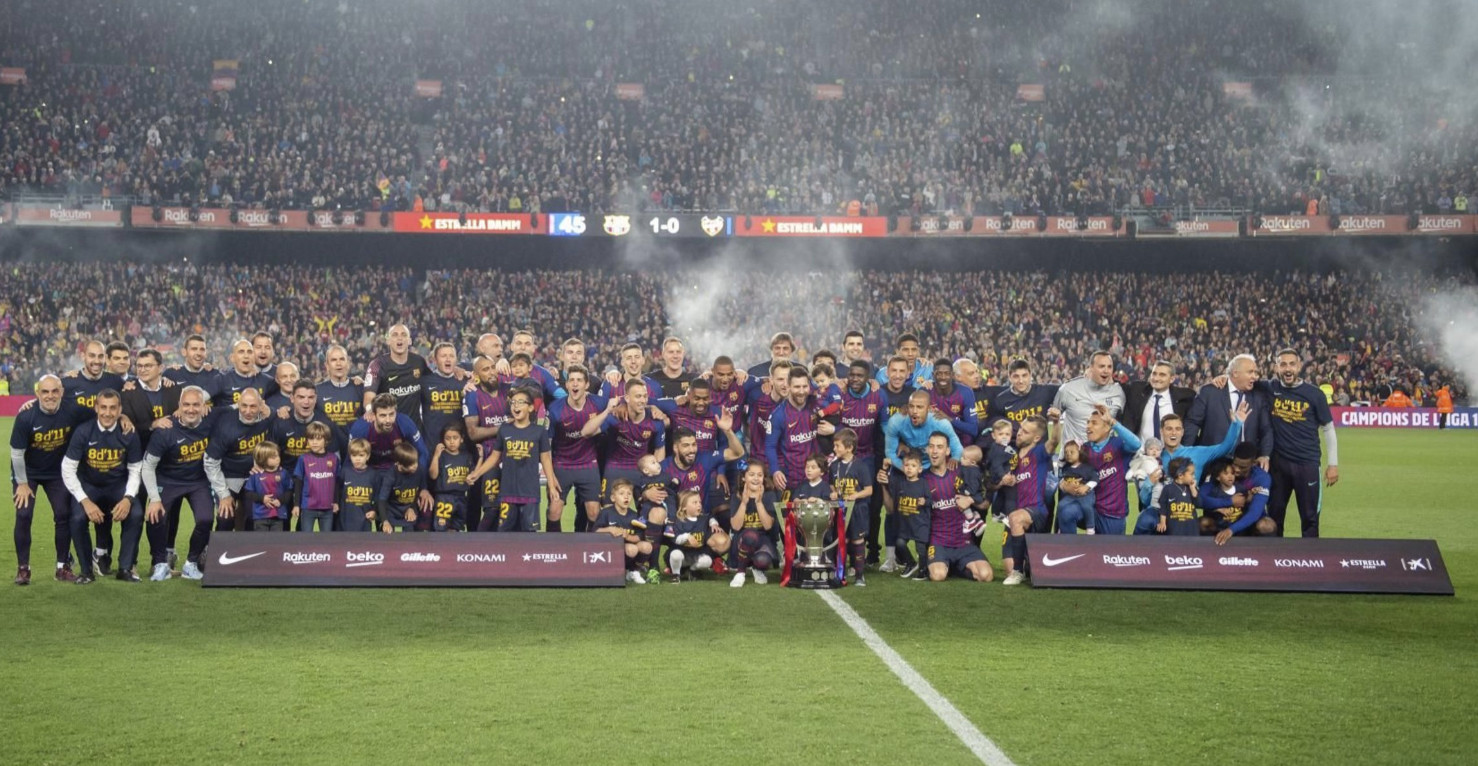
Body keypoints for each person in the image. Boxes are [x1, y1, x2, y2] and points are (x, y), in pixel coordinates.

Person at [10, 375, 89, 584]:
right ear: (37, 394)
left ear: (61, 392)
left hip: (57, 472)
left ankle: (62, 567)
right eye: (45, 392)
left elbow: (99, 413)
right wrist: (23, 484)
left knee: (63, 515)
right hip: (28, 473)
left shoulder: (73, 409)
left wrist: (124, 418)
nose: (50, 396)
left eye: (55, 391)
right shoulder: (26, 416)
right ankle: (23, 569)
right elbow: (17, 453)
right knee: (24, 514)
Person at [60, 389, 143, 583]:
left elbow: (135, 469)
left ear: (120, 409)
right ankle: (86, 571)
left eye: (113, 408)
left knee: (136, 514)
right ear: (96, 408)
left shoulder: (129, 434)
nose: (108, 413)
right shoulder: (83, 431)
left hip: (118, 486)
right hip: (90, 486)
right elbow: (68, 469)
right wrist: (85, 501)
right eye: (103, 407)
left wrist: (128, 498)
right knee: (78, 518)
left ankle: (125, 568)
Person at [1261, 348, 1339, 537]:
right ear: (1276, 367)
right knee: (1274, 517)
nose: (1288, 369)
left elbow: (1328, 428)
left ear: (1300, 366)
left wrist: (1333, 464)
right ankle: (1274, 560)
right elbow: (1241, 379)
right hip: (1278, 466)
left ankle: (1310, 560)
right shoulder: (1269, 388)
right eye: (1283, 364)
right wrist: (1222, 379)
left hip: (1307, 464)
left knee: (1310, 518)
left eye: (1292, 364)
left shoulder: (1314, 394)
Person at [141, 385, 215, 580]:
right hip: (168, 480)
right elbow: (147, 466)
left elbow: (239, 406)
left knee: (206, 519)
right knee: (155, 516)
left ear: (204, 406)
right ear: (179, 406)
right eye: (187, 405)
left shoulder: (211, 421)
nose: (191, 409)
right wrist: (154, 499)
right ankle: (159, 563)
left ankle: (191, 563)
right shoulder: (165, 430)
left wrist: (265, 407)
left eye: (196, 405)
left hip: (198, 481)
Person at [469, 387, 558, 532]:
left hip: (530, 493)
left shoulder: (539, 431)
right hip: (507, 493)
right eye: (513, 402)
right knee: (505, 534)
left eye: (520, 402)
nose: (515, 406)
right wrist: (477, 473)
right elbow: (495, 457)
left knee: (529, 534)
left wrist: (552, 485)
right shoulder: (504, 429)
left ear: (530, 408)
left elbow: (546, 460)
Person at [547, 365, 616, 532]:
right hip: (562, 463)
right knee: (554, 511)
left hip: (588, 463)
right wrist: (550, 478)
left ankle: (591, 552)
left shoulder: (599, 403)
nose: (575, 384)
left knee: (594, 512)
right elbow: (547, 446)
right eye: (571, 380)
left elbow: (616, 413)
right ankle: (553, 551)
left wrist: (599, 428)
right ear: (567, 385)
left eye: (579, 380)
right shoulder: (556, 409)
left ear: (586, 384)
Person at [922, 433, 992, 583]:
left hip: (964, 542)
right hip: (939, 542)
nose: (934, 451)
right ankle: (945, 565)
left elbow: (985, 502)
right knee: (937, 576)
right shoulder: (922, 479)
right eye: (931, 446)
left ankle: (955, 566)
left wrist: (970, 499)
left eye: (939, 447)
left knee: (986, 576)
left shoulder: (962, 472)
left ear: (948, 451)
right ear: (927, 450)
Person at [205, 388, 276, 532]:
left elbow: (273, 444)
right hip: (228, 477)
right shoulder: (225, 425)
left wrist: (261, 464)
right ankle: (217, 550)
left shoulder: (268, 418)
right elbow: (210, 462)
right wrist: (224, 495)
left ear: (261, 405)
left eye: (253, 406)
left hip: (254, 477)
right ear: (238, 403)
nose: (248, 411)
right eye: (244, 406)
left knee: (255, 516)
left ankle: (247, 551)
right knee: (225, 517)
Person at [1184, 354, 1273, 468]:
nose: (1255, 377)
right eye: (1250, 372)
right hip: (1212, 463)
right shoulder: (1210, 392)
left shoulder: (1258, 397)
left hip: (1246, 466)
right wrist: (1186, 453)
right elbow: (1192, 423)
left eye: (1255, 373)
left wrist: (1265, 455)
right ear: (1235, 373)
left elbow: (1266, 430)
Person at [1001, 415, 1056, 585]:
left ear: (1036, 438)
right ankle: (1022, 568)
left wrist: (1055, 422)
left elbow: (1054, 441)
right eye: (1020, 429)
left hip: (1037, 510)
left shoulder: (1039, 452)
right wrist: (1004, 480)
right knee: (1007, 567)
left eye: (1025, 432)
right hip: (1016, 511)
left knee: (1015, 518)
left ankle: (1018, 572)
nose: (1019, 433)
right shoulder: (1013, 455)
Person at [765, 366, 836, 493]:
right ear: (788, 386)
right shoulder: (778, 415)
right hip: (793, 480)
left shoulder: (818, 404)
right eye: (797, 387)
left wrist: (834, 429)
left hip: (820, 478)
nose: (802, 391)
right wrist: (775, 470)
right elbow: (770, 446)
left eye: (805, 386)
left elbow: (841, 423)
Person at [1199, 443, 1279, 543]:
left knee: (1267, 526)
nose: (1236, 470)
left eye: (1243, 467)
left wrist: (1231, 530)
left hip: (1246, 523)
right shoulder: (1221, 469)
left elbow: (1255, 512)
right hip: (1221, 521)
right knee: (1203, 523)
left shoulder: (1261, 478)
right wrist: (1229, 501)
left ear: (1253, 463)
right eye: (1235, 464)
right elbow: (1201, 499)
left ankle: (1263, 557)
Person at [601, 379, 667, 499]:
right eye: (638, 396)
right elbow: (589, 432)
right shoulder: (616, 416)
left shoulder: (655, 421)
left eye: (645, 396)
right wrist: (611, 409)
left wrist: (656, 477)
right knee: (608, 509)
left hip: (640, 469)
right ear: (627, 398)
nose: (642, 400)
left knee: (649, 509)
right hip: (615, 467)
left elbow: (659, 449)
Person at [1049, 351, 1126, 453]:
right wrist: (1054, 418)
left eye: (1109, 367)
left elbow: (1123, 425)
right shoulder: (1068, 389)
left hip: (1104, 461)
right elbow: (1054, 414)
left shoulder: (1118, 393)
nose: (1106, 371)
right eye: (1102, 366)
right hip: (1074, 461)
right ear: (1091, 368)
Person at [829, 428, 874, 586]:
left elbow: (869, 490)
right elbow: (832, 486)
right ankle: (840, 573)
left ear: (849, 448)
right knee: (842, 539)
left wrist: (855, 495)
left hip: (857, 510)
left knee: (857, 540)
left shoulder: (861, 466)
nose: (834, 449)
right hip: (841, 510)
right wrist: (834, 493)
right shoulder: (834, 466)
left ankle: (860, 575)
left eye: (837, 446)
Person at [362, 324, 431, 426]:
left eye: (403, 335)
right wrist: (370, 410)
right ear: (388, 341)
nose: (399, 338)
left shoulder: (419, 362)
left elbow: (434, 380)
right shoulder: (377, 365)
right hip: (389, 428)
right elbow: (369, 396)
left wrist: (455, 370)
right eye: (395, 335)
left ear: (409, 341)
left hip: (415, 429)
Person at [727, 461, 778, 587]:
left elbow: (767, 526)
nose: (756, 478)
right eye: (752, 474)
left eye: (759, 475)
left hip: (762, 539)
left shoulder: (770, 495)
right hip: (742, 540)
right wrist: (744, 503)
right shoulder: (737, 496)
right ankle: (740, 572)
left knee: (763, 561)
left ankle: (756, 568)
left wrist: (759, 502)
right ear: (744, 477)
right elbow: (736, 526)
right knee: (750, 535)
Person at [348, 393, 430, 471]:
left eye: (391, 414)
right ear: (373, 415)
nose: (388, 420)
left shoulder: (405, 423)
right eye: (383, 415)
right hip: (370, 471)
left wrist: (418, 473)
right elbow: (349, 460)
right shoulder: (360, 428)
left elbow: (423, 452)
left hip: (397, 470)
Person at [593, 479, 653, 585]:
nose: (626, 497)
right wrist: (609, 530)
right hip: (611, 549)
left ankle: (633, 571)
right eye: (621, 494)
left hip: (629, 546)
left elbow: (639, 536)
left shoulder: (635, 515)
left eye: (629, 494)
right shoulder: (606, 513)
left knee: (647, 547)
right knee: (632, 549)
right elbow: (595, 531)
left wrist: (627, 536)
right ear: (613, 498)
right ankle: (620, 571)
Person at [1122, 361, 1195, 441]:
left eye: (1162, 375)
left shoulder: (1185, 397)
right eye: (1154, 374)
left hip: (1169, 452)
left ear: (1172, 379)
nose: (1156, 378)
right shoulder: (1137, 390)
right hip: (1141, 451)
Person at [889, 450, 931, 580]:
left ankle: (923, 570)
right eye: (906, 465)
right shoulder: (900, 484)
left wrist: (925, 501)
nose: (909, 469)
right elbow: (894, 501)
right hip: (905, 524)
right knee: (900, 543)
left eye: (913, 466)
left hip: (920, 523)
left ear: (919, 469)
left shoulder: (923, 483)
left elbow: (930, 501)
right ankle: (911, 563)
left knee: (921, 548)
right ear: (902, 467)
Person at [292, 422, 340, 533]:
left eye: (318, 439)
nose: (314, 442)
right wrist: (296, 505)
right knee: (306, 540)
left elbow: (336, 482)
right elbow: (298, 483)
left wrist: (336, 501)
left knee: (326, 541)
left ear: (326, 440)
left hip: (328, 507)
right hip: (308, 507)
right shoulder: (303, 459)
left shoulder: (333, 458)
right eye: (311, 439)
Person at [663, 490, 721, 582]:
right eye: (695, 502)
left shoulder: (703, 519)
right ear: (684, 507)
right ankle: (676, 574)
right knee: (675, 555)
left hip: (697, 553)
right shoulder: (677, 521)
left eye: (699, 502)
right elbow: (676, 539)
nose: (699, 505)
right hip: (682, 554)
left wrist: (714, 524)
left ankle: (692, 571)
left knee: (708, 560)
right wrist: (687, 537)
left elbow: (710, 517)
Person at [420, 342, 468, 449]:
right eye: (443, 356)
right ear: (435, 360)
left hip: (460, 448)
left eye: (451, 356)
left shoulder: (465, 381)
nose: (448, 359)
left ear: (456, 359)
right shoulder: (424, 381)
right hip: (432, 445)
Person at [427, 423, 475, 532]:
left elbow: (473, 474)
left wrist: (480, 458)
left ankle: (455, 549)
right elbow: (433, 475)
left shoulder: (467, 456)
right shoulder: (441, 456)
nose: (452, 442)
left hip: (462, 496)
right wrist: (436, 456)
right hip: (444, 497)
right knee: (440, 528)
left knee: (457, 528)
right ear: (443, 440)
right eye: (448, 438)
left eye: (455, 438)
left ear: (461, 439)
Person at [988, 359, 1058, 430]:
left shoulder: (1045, 391)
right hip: (1015, 440)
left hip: (1041, 441)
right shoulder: (1000, 401)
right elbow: (995, 429)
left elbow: (1067, 390)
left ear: (1030, 375)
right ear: (1009, 377)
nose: (1021, 381)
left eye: (1024, 376)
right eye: (1016, 376)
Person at [241, 443, 293, 532]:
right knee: (262, 543)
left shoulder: (284, 473)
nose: (277, 458)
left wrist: (281, 500)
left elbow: (289, 491)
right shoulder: (255, 475)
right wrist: (262, 498)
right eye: (273, 457)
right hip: (260, 516)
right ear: (263, 459)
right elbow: (248, 493)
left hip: (278, 516)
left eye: (278, 455)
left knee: (276, 542)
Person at [379, 442, 430, 533]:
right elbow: (382, 500)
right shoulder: (391, 476)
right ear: (399, 464)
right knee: (388, 539)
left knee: (410, 539)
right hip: (391, 510)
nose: (414, 466)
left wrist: (412, 508)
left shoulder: (420, 470)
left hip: (408, 508)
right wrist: (385, 521)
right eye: (410, 465)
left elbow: (418, 491)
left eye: (416, 462)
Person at [928, 358, 979, 446]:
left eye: (947, 374)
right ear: (933, 375)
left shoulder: (965, 392)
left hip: (958, 441)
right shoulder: (925, 391)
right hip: (931, 440)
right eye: (939, 374)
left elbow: (973, 429)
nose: (943, 377)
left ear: (952, 375)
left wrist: (949, 420)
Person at [338, 439, 382, 533]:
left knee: (364, 546)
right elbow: (337, 492)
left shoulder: (374, 474)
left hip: (365, 522)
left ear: (368, 456)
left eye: (361, 455)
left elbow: (378, 496)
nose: (357, 459)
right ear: (350, 456)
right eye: (354, 455)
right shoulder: (345, 472)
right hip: (345, 521)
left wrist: (375, 511)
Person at [216, 339, 276, 407]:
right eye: (241, 352)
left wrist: (271, 411)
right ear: (232, 358)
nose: (246, 356)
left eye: (249, 352)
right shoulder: (222, 379)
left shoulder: (267, 380)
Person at [1055, 441, 1098, 534]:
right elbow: (1061, 480)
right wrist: (1065, 486)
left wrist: (1086, 487)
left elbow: (1095, 478)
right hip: (1071, 496)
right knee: (1061, 505)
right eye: (1066, 453)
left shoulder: (1087, 467)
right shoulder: (1066, 468)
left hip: (1085, 495)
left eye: (1072, 452)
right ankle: (1060, 527)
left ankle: (1090, 527)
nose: (1068, 455)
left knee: (1087, 506)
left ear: (1080, 452)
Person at [165, 334, 221, 402]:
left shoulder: (215, 375)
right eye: (194, 349)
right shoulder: (170, 374)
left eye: (202, 349)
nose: (198, 353)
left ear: (206, 353)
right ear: (184, 352)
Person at [1158, 457, 1201, 536]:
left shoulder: (1192, 488)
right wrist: (1162, 522)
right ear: (1180, 475)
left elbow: (1199, 504)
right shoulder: (1168, 489)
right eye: (1192, 474)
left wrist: (1193, 490)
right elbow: (1163, 508)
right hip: (1175, 528)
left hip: (1191, 528)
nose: (1194, 477)